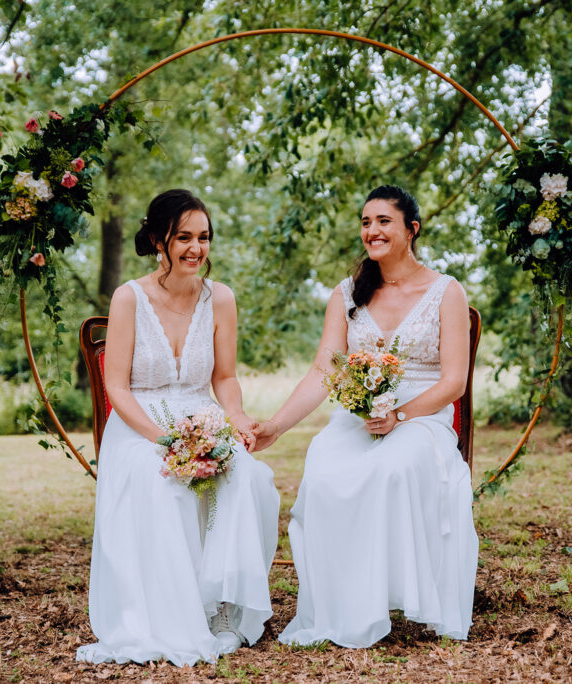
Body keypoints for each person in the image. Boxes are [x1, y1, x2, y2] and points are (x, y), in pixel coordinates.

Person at [253, 185, 478, 648]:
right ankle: (345, 605)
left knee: (392, 468)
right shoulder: (346, 294)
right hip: (359, 416)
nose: (371, 230)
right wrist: (276, 425)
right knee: (325, 468)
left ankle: (393, 595)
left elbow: (454, 382)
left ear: (411, 229)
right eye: (365, 222)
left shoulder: (446, 291)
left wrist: (400, 415)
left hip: (422, 418)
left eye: (383, 221)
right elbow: (324, 371)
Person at [77, 189, 279, 666]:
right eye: (184, 237)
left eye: (203, 237)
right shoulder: (129, 298)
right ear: (158, 240)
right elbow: (116, 387)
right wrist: (162, 440)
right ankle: (172, 611)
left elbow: (224, 378)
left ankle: (224, 608)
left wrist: (237, 418)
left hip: (202, 415)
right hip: (140, 424)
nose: (196, 248)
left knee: (247, 476)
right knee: (165, 483)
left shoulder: (220, 298)